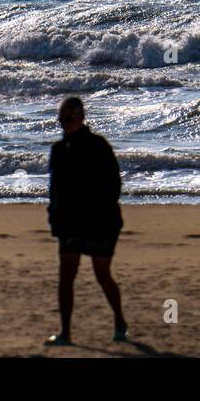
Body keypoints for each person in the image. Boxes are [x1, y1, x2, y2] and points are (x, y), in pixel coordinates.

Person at [44, 97, 127, 347]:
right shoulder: (58, 150)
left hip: (100, 222)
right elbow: (54, 189)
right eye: (61, 120)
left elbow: (114, 185)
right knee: (66, 276)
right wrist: (54, 216)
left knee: (102, 275)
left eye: (69, 119)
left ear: (81, 118)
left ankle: (120, 322)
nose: (64, 124)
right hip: (70, 223)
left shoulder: (98, 145)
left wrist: (100, 212)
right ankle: (65, 332)